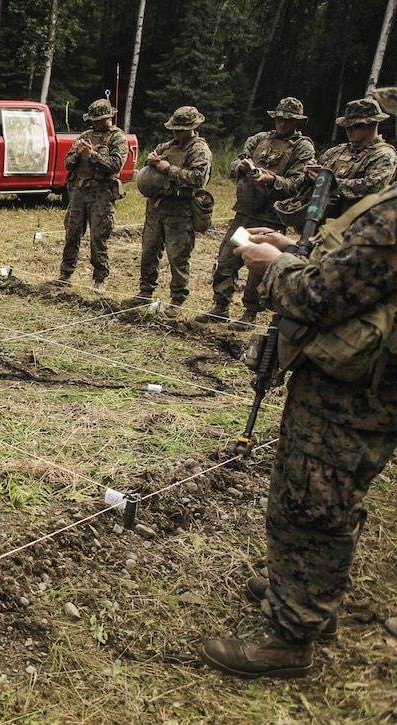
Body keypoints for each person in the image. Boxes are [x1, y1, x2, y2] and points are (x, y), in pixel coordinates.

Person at [199, 91, 397, 678]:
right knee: (319, 501)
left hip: (354, 393)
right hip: (348, 382)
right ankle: (305, 595)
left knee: (313, 505)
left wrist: (274, 265)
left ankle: (290, 637)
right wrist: (293, 248)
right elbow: (350, 271)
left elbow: (321, 295)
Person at [196, 97, 314, 329]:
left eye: (287, 120)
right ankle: (221, 306)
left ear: (296, 122)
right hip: (245, 215)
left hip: (271, 220)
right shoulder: (259, 139)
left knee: (258, 268)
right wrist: (240, 166)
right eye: (279, 118)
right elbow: (234, 165)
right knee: (227, 260)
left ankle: (250, 313)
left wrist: (272, 179)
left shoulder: (302, 147)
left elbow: (297, 185)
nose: (282, 123)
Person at [131, 106, 211, 317]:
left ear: (192, 128)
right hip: (157, 207)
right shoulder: (167, 146)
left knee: (178, 257)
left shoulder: (199, 149)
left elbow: (198, 179)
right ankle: (144, 292)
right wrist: (152, 162)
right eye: (174, 129)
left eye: (180, 129)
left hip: (180, 210)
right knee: (149, 251)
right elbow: (151, 162)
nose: (176, 133)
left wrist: (167, 169)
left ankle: (177, 300)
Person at [55, 98, 128, 291]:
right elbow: (67, 163)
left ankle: (100, 279)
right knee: (72, 233)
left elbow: (116, 165)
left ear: (108, 118)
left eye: (98, 120)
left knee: (98, 236)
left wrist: (92, 156)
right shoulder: (85, 136)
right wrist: (78, 154)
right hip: (79, 191)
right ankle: (65, 273)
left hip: (102, 193)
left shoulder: (117, 138)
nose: (95, 124)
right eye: (93, 120)